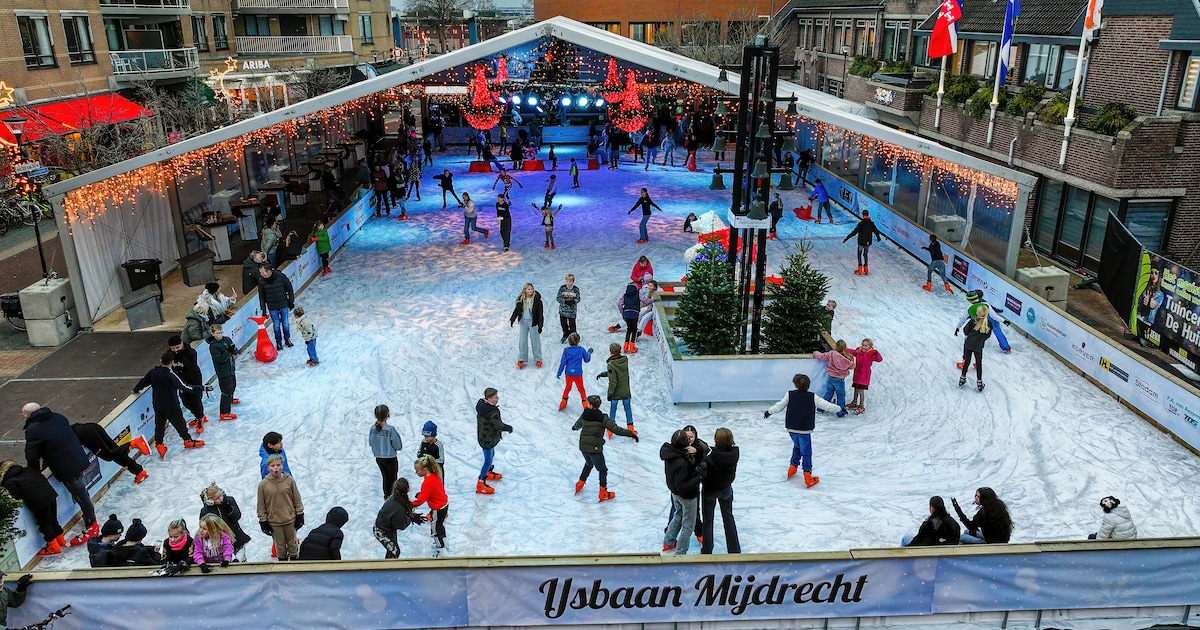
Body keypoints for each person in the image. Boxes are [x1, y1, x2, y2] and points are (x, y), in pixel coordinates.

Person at [22, 403, 99, 545]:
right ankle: (90, 517)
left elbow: (32, 455)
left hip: (66, 466)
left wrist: (34, 475)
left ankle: (92, 524)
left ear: (26, 415)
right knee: (81, 491)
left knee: (79, 493)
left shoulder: (33, 429)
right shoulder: (58, 417)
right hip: (78, 457)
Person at [764, 374, 841, 488]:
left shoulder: (790, 395)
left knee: (797, 446)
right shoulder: (812, 396)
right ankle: (807, 476)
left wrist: (769, 412)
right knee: (806, 452)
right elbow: (827, 406)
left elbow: (779, 406)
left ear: (795, 385)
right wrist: (840, 408)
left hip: (791, 428)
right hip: (804, 429)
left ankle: (793, 467)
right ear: (808, 385)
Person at [132, 352, 208, 458]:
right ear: (171, 363)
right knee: (180, 424)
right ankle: (187, 440)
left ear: (160, 361)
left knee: (159, 425)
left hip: (158, 405)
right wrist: (201, 387)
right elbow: (185, 387)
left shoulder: (153, 372)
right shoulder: (170, 376)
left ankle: (159, 444)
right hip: (172, 406)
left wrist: (135, 389)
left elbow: (142, 383)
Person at [572, 395, 638, 502]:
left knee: (589, 463)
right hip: (594, 448)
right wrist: (631, 433)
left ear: (591, 405)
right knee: (602, 470)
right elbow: (616, 429)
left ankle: (580, 483)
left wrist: (574, 427)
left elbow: (578, 424)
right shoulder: (603, 418)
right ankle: (603, 492)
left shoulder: (585, 414)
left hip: (583, 447)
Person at [0, 460, 63, 556]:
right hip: (50, 493)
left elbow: (17, 496)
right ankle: (61, 540)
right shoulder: (28, 470)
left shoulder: (9, 482)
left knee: (44, 524)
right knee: (53, 519)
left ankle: (54, 547)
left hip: (38, 501)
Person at [661, 429, 707, 556]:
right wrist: (699, 477)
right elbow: (683, 485)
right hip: (687, 496)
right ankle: (681, 553)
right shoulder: (681, 462)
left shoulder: (671, 453)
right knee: (688, 525)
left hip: (675, 493)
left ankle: (668, 542)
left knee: (678, 515)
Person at [257, 453, 305, 561]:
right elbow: (261, 505)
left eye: (278, 465)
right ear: (268, 467)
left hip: (290, 519)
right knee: (280, 547)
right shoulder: (263, 485)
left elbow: (296, 498)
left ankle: (294, 564)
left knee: (292, 545)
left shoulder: (289, 480)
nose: (276, 468)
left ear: (282, 466)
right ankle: (283, 564)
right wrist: (263, 521)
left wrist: (300, 514)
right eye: (273, 466)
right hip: (274, 521)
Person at [700, 428, 740, 554]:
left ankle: (707, 549)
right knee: (728, 518)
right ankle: (734, 549)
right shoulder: (735, 454)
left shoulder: (710, 459)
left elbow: (703, 475)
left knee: (708, 521)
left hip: (710, 491)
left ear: (716, 440)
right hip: (726, 489)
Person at [72, 421, 148, 485]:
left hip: (86, 435)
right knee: (116, 453)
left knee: (108, 456)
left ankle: (133, 443)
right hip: (92, 426)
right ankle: (139, 472)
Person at [199, 483, 252, 560]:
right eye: (217, 498)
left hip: (235, 536)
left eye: (221, 495)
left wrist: (229, 510)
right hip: (219, 541)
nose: (221, 499)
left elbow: (237, 516)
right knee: (225, 559)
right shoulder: (206, 511)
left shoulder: (229, 500)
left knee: (241, 557)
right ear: (210, 501)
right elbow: (203, 526)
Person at [475, 388, 512, 495]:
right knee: (488, 460)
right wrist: (508, 428)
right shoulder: (492, 412)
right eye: (496, 397)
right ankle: (481, 483)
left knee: (492, 455)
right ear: (490, 399)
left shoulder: (482, 406)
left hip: (485, 437)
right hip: (487, 439)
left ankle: (488, 472)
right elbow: (498, 425)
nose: (497, 399)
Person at [169, 335, 207, 432]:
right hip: (181, 381)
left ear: (182, 344)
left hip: (194, 379)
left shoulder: (191, 352)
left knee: (195, 400)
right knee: (185, 402)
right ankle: (197, 415)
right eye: (173, 348)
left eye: (177, 347)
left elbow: (191, 367)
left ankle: (200, 417)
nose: (175, 350)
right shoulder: (170, 354)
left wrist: (180, 356)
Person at [956, 290, 1012, 355]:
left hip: (985, 319)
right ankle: (1006, 348)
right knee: (998, 332)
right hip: (993, 318)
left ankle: (975, 347)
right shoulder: (985, 303)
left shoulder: (973, 307)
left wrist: (958, 326)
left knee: (979, 333)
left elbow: (969, 316)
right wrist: (1004, 320)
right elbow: (994, 312)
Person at [412, 455, 449, 556]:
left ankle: (441, 551)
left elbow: (420, 501)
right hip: (444, 504)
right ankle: (444, 542)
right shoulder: (434, 475)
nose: (416, 472)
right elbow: (431, 492)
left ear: (424, 469)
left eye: (417, 470)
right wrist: (421, 494)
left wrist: (409, 505)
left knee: (435, 531)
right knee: (440, 525)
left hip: (437, 508)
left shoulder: (428, 482)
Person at [375, 478, 419, 558]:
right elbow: (400, 525)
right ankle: (387, 569)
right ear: (408, 489)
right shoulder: (398, 506)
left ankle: (387, 566)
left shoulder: (396, 496)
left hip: (388, 528)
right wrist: (409, 518)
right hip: (381, 531)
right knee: (394, 552)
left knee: (392, 550)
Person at [596, 343, 635, 435]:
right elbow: (616, 373)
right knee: (628, 409)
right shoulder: (624, 361)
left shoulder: (611, 364)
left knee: (613, 409)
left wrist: (610, 394)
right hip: (625, 390)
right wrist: (603, 374)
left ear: (611, 352)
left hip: (616, 393)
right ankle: (631, 428)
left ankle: (610, 428)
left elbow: (613, 381)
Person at [814, 332, 855, 417]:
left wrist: (815, 353)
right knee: (841, 395)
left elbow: (821, 356)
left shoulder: (831, 353)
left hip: (831, 377)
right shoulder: (847, 358)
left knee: (829, 392)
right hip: (839, 379)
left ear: (836, 346)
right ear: (844, 347)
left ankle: (821, 408)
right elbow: (852, 366)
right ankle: (841, 411)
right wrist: (852, 361)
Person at [257, 265, 296, 350]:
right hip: (272, 306)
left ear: (268, 271)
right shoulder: (261, 281)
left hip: (283, 303)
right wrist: (263, 309)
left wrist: (291, 301)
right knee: (276, 325)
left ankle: (287, 339)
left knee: (285, 323)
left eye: (262, 272)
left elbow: (289, 288)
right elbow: (261, 296)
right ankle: (278, 342)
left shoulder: (280, 276)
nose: (261, 274)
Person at [206, 323, 240, 422]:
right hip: (223, 372)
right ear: (212, 334)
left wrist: (234, 351)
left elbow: (234, 350)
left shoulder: (227, 339)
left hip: (231, 368)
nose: (219, 335)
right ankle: (224, 413)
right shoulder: (213, 346)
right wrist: (228, 351)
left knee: (233, 386)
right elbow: (220, 360)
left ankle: (230, 399)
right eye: (217, 333)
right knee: (226, 391)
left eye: (221, 332)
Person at [369, 405, 404, 499]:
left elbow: (371, 443)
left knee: (385, 477)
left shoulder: (372, 429)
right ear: (387, 414)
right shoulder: (390, 429)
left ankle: (386, 497)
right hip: (390, 458)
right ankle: (394, 498)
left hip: (379, 458)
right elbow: (398, 445)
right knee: (393, 479)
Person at [958, 303, 992, 391]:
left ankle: (962, 378)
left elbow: (965, 330)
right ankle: (979, 382)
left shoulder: (973, 321)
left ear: (978, 313)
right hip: (978, 346)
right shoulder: (989, 324)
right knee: (979, 363)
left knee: (967, 361)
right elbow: (988, 336)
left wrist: (969, 336)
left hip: (968, 344)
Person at [509, 283, 544, 369]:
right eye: (528, 289)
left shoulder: (537, 300)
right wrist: (512, 319)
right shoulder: (520, 299)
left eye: (532, 289)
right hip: (523, 322)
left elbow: (540, 313)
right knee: (523, 340)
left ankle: (538, 358)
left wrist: (540, 325)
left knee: (535, 340)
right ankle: (521, 358)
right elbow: (516, 310)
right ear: (525, 290)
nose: (530, 291)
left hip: (533, 322)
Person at [556, 333, 592, 411]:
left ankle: (563, 401)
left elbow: (563, 362)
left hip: (569, 373)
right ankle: (585, 403)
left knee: (568, 387)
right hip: (578, 373)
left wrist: (559, 372)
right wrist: (589, 353)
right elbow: (587, 359)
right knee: (581, 388)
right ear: (578, 340)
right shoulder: (581, 349)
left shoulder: (566, 350)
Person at [846, 339, 883, 414]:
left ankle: (861, 405)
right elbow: (851, 351)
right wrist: (843, 348)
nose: (864, 347)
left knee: (861, 391)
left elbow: (879, 359)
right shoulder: (858, 352)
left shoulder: (871, 354)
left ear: (870, 346)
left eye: (866, 346)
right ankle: (854, 402)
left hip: (864, 375)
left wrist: (875, 352)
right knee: (856, 389)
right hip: (857, 374)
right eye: (863, 345)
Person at [842, 210, 883, 276]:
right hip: (868, 242)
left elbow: (854, 232)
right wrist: (878, 237)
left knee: (859, 254)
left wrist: (847, 237)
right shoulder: (871, 224)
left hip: (861, 242)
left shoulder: (861, 224)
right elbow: (876, 231)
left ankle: (860, 268)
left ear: (863, 215)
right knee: (865, 254)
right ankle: (866, 268)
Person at [556, 274, 581, 344]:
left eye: (570, 281)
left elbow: (578, 298)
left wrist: (573, 301)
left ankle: (574, 337)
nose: (569, 283)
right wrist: (564, 301)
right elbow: (558, 298)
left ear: (573, 281)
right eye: (567, 281)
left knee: (572, 324)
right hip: (563, 310)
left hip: (571, 311)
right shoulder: (562, 288)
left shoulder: (576, 289)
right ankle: (565, 334)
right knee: (563, 324)